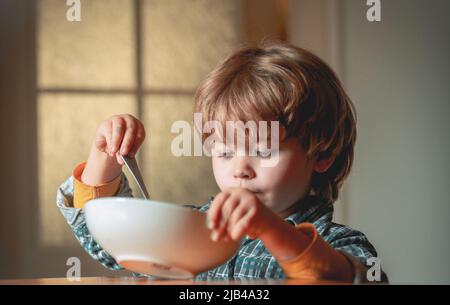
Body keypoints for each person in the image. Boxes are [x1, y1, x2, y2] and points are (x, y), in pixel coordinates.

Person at [56, 41, 387, 283]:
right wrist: (104, 158)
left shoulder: (341, 245)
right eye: (225, 152)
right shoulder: (195, 229)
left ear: (323, 155)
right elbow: (112, 244)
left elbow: (343, 279)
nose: (240, 168)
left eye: (263, 151)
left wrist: (271, 229)